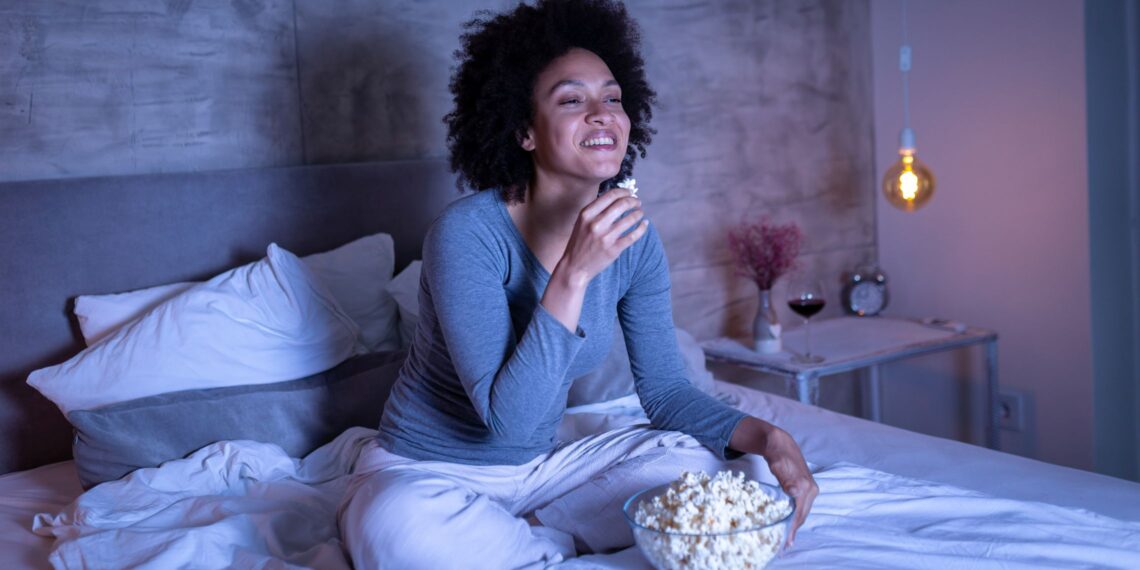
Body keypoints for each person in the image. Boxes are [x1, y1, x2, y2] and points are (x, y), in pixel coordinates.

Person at [338, 1, 817, 567]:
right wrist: (575, 269)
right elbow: (507, 421)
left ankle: (528, 534)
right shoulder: (466, 235)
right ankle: (545, 538)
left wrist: (771, 438)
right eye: (572, 100)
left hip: (542, 473)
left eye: (612, 98)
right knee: (395, 529)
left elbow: (664, 393)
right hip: (428, 474)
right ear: (523, 131)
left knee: (712, 463)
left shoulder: (635, 239)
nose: (602, 114)